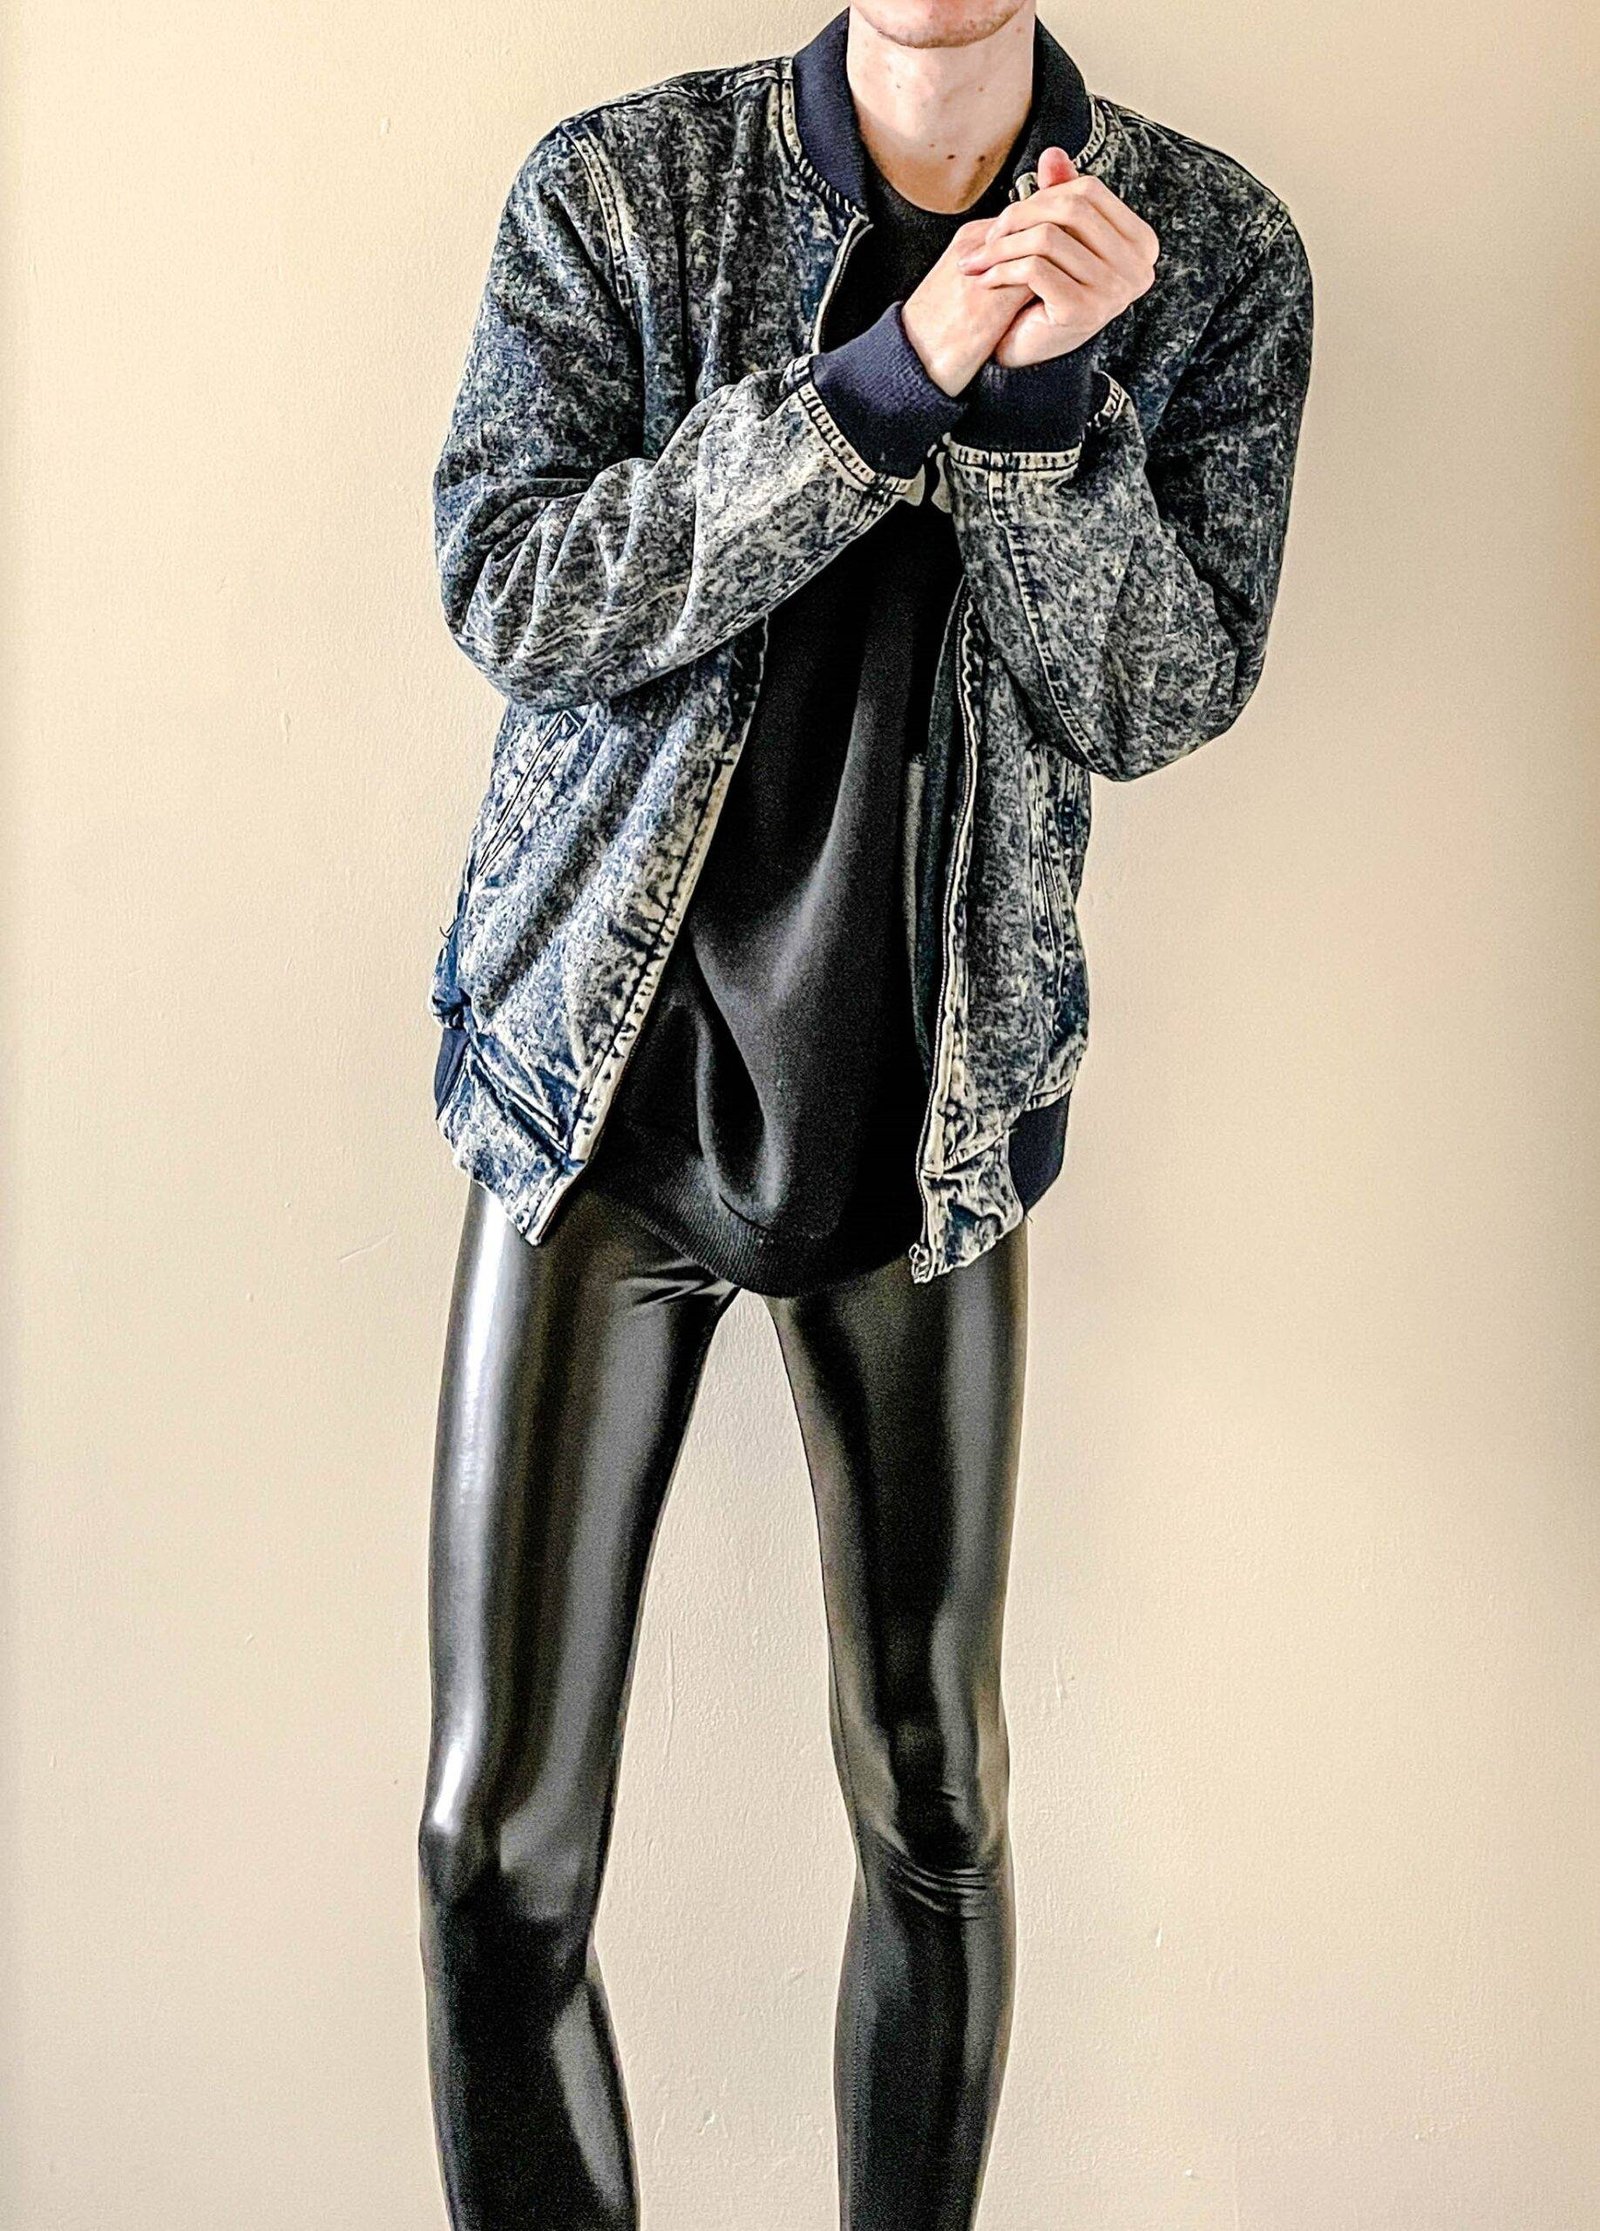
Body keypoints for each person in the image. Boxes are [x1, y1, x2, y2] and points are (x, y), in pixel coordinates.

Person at [417, 5, 1313, 2226]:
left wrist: (1039, 418)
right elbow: (517, 589)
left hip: (931, 1123)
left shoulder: (1208, 250)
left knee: (935, 1809)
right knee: (496, 1846)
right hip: (593, 1095)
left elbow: (1156, 694)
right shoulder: (624, 187)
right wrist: (881, 384)